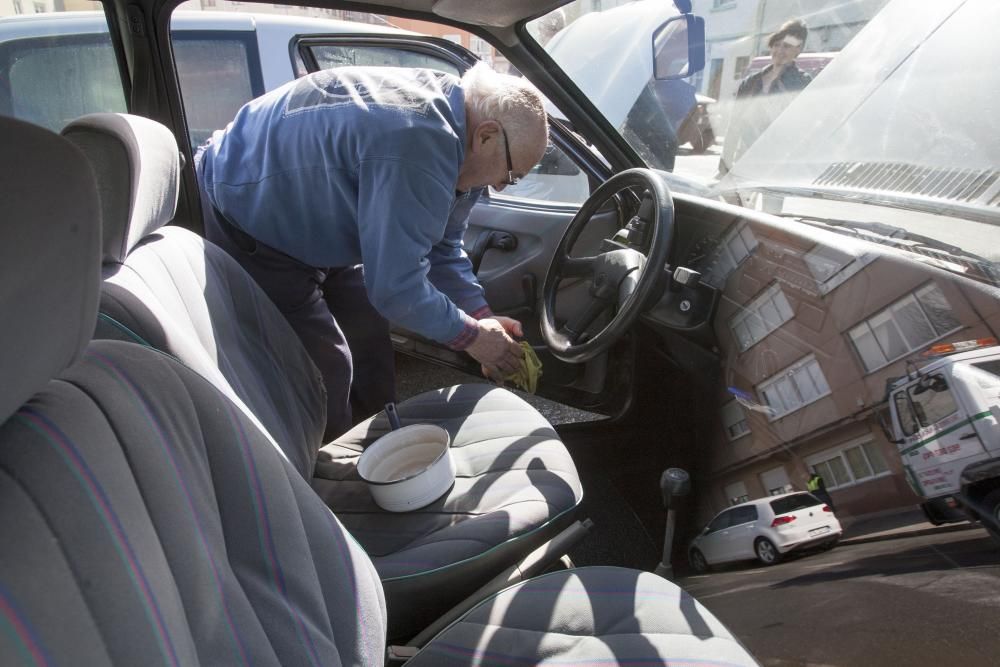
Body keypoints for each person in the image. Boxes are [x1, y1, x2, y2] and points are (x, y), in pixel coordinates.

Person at [195, 63, 549, 440]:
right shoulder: (419, 144)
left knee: (370, 345)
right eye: (510, 176)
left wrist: (481, 316)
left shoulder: (464, 127)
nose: (501, 187)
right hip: (252, 216)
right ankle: (322, 477)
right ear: (488, 136)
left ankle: (380, 448)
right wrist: (475, 339)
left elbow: (443, 248)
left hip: (322, 214)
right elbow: (396, 289)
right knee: (323, 370)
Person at [717, 19, 812, 177]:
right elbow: (734, 124)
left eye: (787, 46)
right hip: (745, 157)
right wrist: (725, 161)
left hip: (777, 163)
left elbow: (803, 126)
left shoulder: (802, 83)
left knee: (771, 202)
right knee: (735, 201)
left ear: (798, 50)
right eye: (776, 44)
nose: (779, 50)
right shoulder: (752, 81)